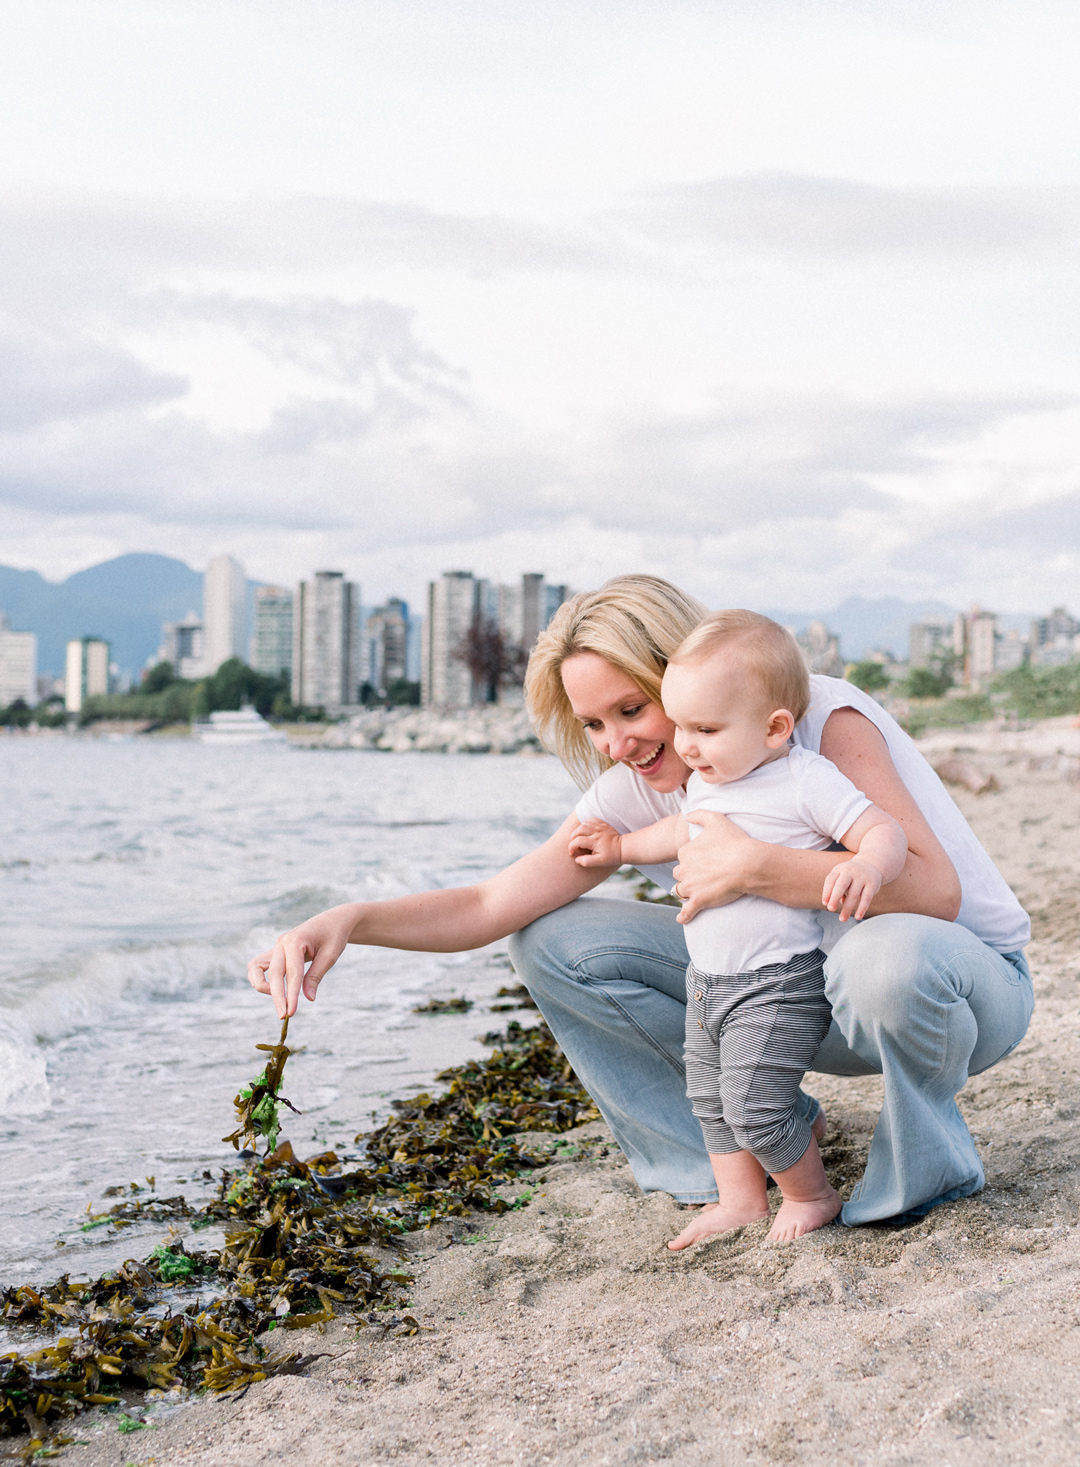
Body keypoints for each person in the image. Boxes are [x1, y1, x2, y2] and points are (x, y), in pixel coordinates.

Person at [247, 575, 1032, 1227]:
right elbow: (491, 903)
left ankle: (921, 1171)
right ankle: (743, 1159)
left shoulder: (814, 723)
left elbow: (933, 890)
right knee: (550, 937)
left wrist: (756, 866)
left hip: (954, 991)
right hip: (791, 1002)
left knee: (880, 953)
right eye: (592, 723)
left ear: (685, 671)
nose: (617, 743)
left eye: (631, 708)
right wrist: (347, 919)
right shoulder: (641, 786)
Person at [567, 610, 908, 1244]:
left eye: (706, 728)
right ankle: (741, 1199)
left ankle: (812, 1194)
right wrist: (617, 851)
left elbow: (882, 829)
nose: (688, 745)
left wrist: (867, 864)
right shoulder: (707, 783)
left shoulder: (802, 779)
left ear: (775, 727)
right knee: (712, 1103)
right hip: (708, 981)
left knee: (752, 1106)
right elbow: (676, 833)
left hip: (775, 981)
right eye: (684, 727)